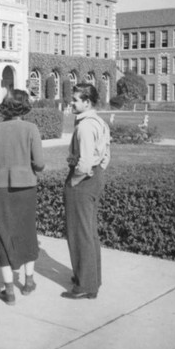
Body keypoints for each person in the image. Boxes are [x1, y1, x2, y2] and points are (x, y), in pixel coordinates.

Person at [0, 89, 45, 306]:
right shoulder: (31, 129)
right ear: (25, 105)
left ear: (5, 106)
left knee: (3, 235)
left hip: (0, 188)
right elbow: (40, 163)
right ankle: (28, 283)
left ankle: (9, 290)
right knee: (27, 232)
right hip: (26, 187)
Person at [61, 83, 110, 300]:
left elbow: (85, 162)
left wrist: (74, 181)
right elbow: (106, 154)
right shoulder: (99, 121)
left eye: (75, 100)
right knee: (89, 230)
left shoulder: (84, 127)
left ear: (87, 102)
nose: (71, 102)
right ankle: (91, 278)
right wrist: (98, 170)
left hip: (83, 181)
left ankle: (84, 286)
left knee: (79, 232)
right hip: (96, 177)